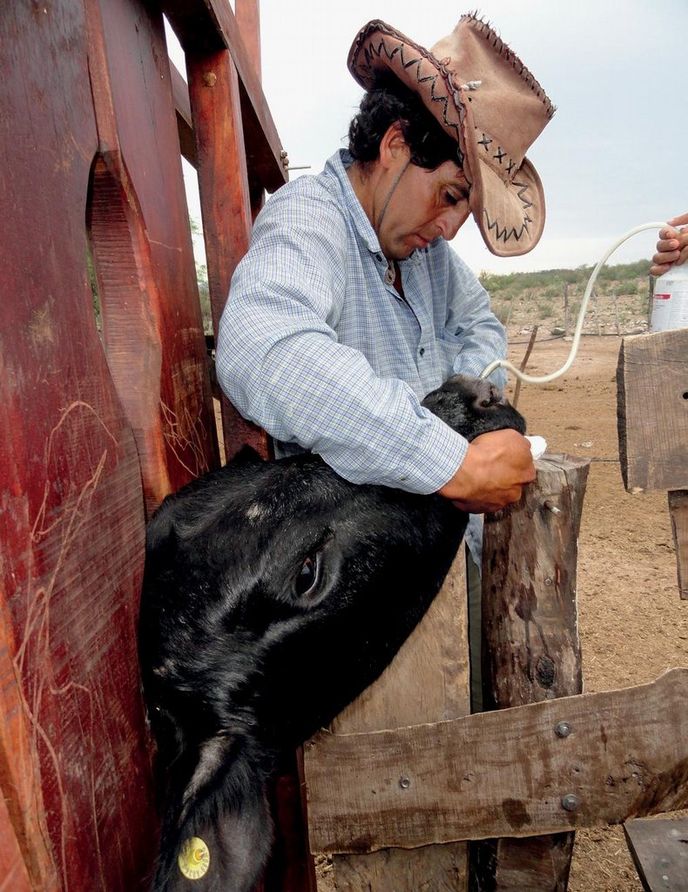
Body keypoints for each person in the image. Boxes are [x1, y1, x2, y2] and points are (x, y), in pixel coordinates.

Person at [217, 13, 552, 519]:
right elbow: (263, 347)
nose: (450, 230)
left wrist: (459, 405)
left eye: (466, 212)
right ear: (396, 145)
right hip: (345, 565)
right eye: (449, 196)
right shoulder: (311, 219)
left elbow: (478, 323)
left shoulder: (426, 254)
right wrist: (451, 463)